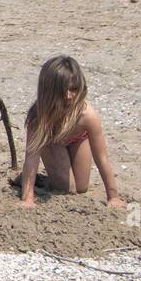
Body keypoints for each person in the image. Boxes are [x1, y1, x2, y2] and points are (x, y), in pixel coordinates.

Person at [17, 56, 124, 209]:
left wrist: (113, 197)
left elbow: (102, 159)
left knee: (81, 188)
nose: (68, 96)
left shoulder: (87, 115)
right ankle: (33, 181)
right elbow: (31, 157)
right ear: (49, 91)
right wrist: (27, 199)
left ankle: (46, 179)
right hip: (51, 140)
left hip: (77, 138)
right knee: (68, 189)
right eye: (62, 91)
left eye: (73, 89)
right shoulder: (39, 116)